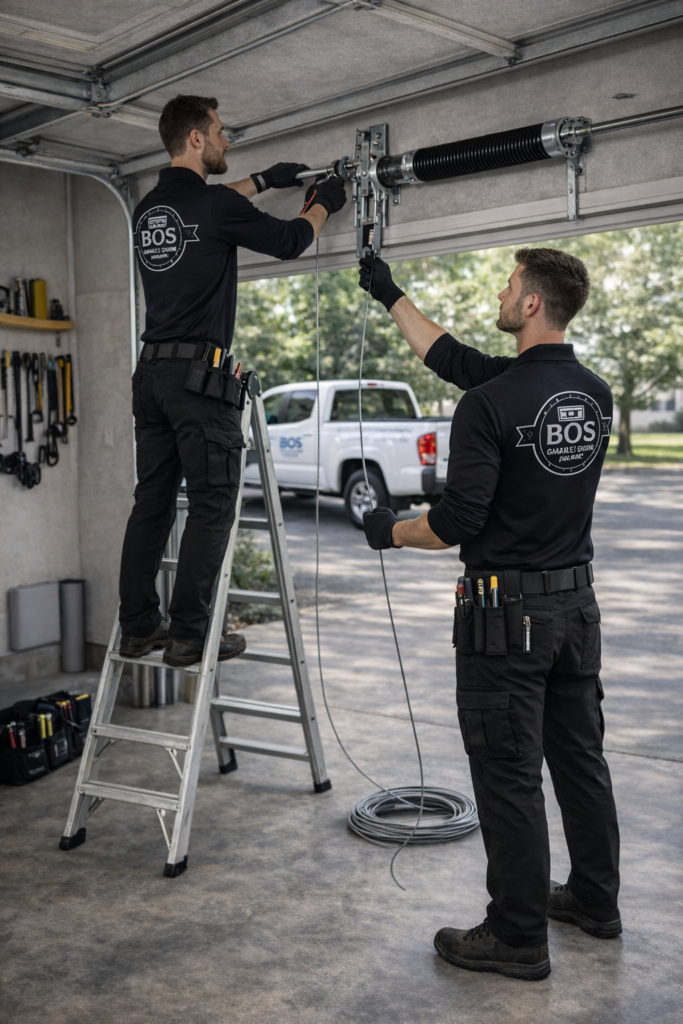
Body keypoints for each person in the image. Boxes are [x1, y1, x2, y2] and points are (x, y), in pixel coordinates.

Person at [358, 247, 621, 981]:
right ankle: (596, 902)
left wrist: (388, 530)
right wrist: (391, 297)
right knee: (579, 762)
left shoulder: (491, 403)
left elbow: (454, 523)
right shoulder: (592, 394)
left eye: (509, 286)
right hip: (575, 610)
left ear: (531, 303)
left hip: (506, 619)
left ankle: (515, 936)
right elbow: (452, 358)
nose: (500, 293)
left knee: (507, 776)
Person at [119, 94, 346, 668]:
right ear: (196, 139)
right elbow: (292, 241)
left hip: (151, 376)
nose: (227, 140)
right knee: (215, 501)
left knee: (152, 502)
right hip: (198, 380)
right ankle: (193, 634)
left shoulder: (148, 211)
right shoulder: (214, 206)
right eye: (220, 132)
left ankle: (139, 625)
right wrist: (322, 204)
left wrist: (263, 181)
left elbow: (207, 209)